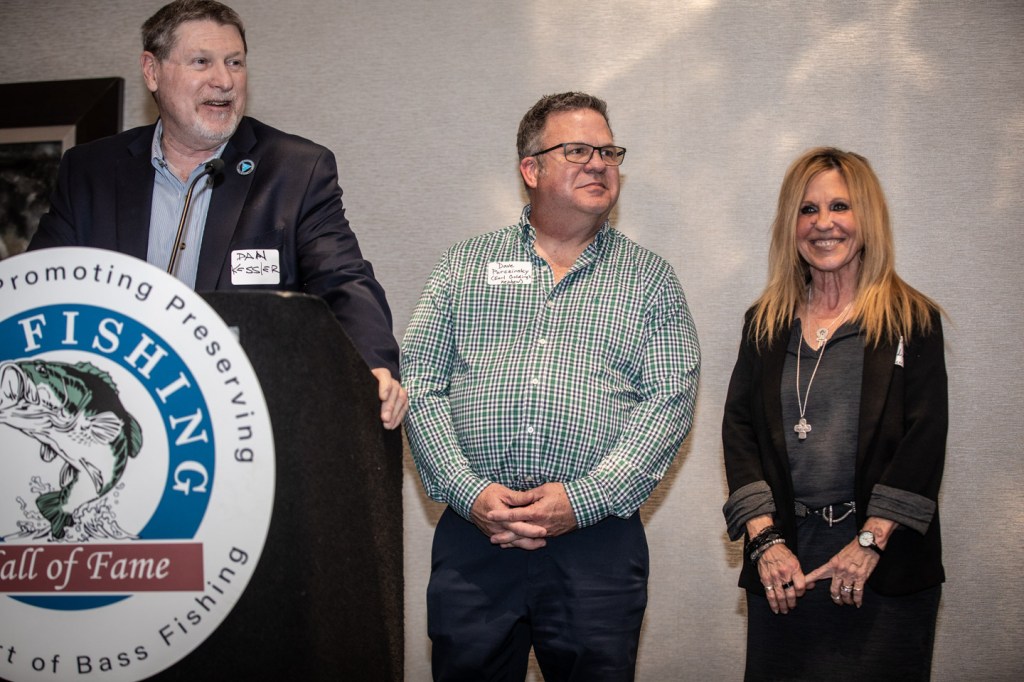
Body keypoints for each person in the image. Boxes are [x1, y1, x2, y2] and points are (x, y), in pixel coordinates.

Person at [402, 91, 700, 680]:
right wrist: (467, 491)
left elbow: (669, 402)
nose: (600, 164)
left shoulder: (651, 279)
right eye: (579, 151)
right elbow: (421, 381)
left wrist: (582, 500)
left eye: (609, 152)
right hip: (476, 538)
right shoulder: (464, 265)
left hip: (597, 545)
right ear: (531, 169)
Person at [28, 0, 406, 429]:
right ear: (152, 71)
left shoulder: (295, 170)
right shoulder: (90, 171)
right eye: (201, 62)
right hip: (114, 408)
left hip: (244, 421)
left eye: (235, 62)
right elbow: (42, 287)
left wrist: (371, 365)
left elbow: (344, 280)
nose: (224, 81)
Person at [722, 147, 947, 680]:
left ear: (867, 219)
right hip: (784, 565)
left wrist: (868, 542)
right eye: (808, 209)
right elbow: (739, 431)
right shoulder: (764, 323)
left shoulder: (911, 319)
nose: (823, 223)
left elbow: (925, 439)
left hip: (883, 563)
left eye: (840, 206)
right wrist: (766, 542)